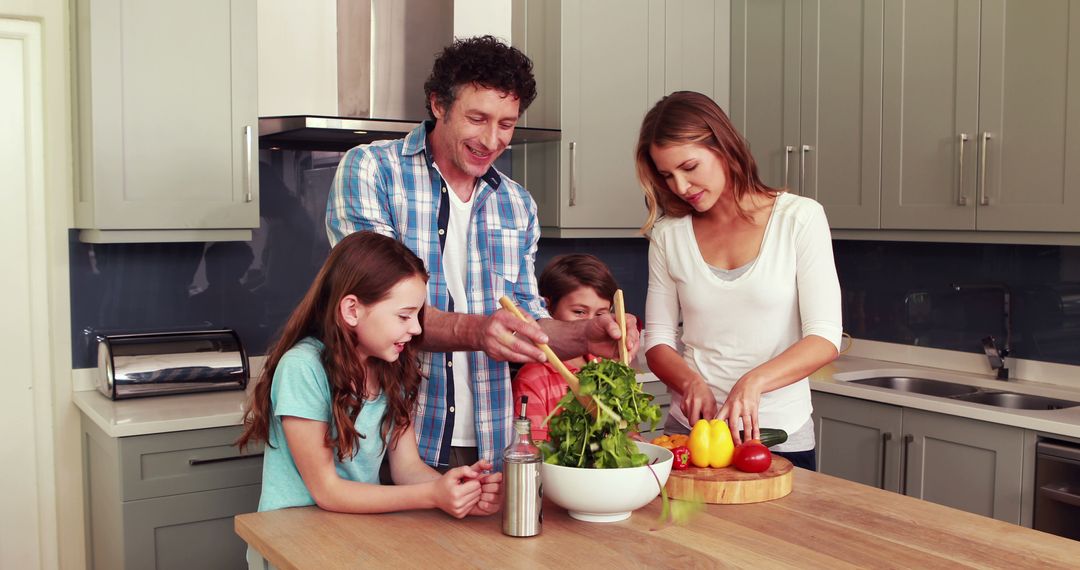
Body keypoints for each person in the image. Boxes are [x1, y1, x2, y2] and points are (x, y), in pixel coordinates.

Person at [326, 36, 639, 471]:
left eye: (507, 124)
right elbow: (376, 307)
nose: (492, 140)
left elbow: (529, 326)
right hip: (392, 438)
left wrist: (588, 336)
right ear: (438, 104)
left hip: (494, 440)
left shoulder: (517, 205)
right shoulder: (372, 170)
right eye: (478, 118)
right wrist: (477, 331)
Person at [635, 91, 842, 470]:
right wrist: (690, 382)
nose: (680, 186)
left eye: (690, 167)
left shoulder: (799, 219)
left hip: (775, 433)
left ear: (723, 146)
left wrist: (754, 382)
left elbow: (825, 338)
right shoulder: (669, 235)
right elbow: (659, 341)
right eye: (667, 175)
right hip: (690, 434)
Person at [236, 231, 502, 519]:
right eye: (404, 316)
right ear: (352, 310)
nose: (416, 329)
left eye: (417, 316)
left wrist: (458, 490)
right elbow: (328, 491)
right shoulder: (302, 367)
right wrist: (432, 495)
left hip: (355, 533)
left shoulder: (391, 367)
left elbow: (407, 468)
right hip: (293, 540)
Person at [512, 254, 618, 441]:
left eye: (600, 314)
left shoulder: (607, 369)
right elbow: (533, 450)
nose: (590, 324)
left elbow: (627, 431)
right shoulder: (532, 379)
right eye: (579, 312)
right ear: (547, 308)